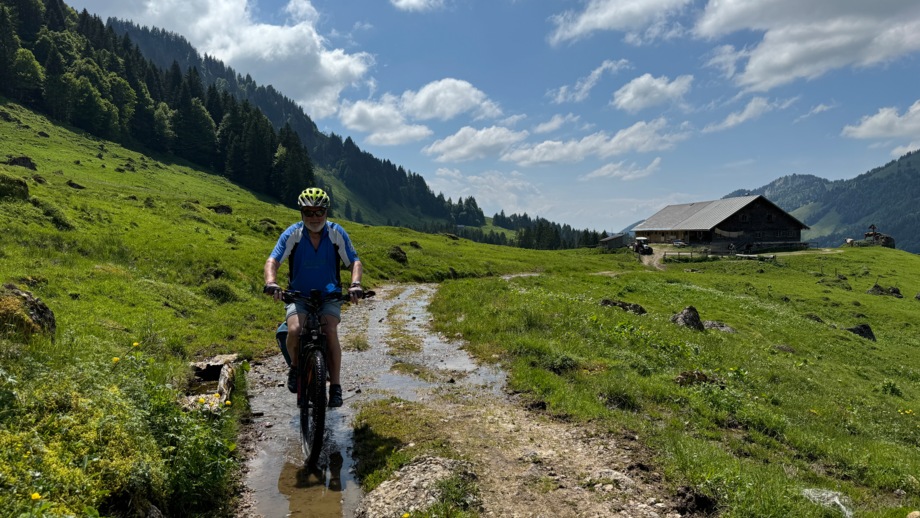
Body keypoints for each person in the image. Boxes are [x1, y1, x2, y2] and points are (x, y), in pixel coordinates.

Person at [263, 187, 363, 408]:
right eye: (309, 212)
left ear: (326, 212)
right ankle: (296, 368)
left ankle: (335, 386)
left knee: (329, 331)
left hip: (330, 296)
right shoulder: (293, 234)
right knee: (295, 330)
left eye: (319, 212)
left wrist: (355, 284)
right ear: (301, 213)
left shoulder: (336, 233)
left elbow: (354, 262)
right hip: (299, 295)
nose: (314, 217)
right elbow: (273, 261)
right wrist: (271, 282)